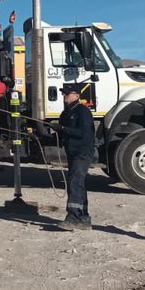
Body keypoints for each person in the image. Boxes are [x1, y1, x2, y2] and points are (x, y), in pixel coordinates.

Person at [53, 84, 96, 231]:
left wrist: (64, 129)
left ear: (77, 96)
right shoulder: (65, 114)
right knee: (78, 184)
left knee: (75, 182)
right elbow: (60, 137)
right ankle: (84, 218)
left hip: (83, 152)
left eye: (67, 93)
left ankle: (73, 217)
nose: (64, 96)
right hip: (72, 153)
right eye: (64, 94)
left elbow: (83, 133)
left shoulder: (83, 111)